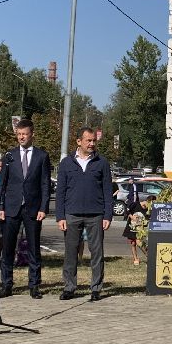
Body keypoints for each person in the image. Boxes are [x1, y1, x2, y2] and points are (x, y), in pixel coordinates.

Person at [55, 127, 113, 302]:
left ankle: (96, 288)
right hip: (71, 214)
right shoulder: (66, 163)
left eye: (94, 140)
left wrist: (107, 216)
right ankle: (70, 287)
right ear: (79, 141)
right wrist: (60, 216)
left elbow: (107, 191)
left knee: (97, 253)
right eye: (88, 140)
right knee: (71, 252)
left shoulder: (102, 163)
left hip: (96, 214)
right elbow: (60, 192)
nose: (92, 143)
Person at [0, 119, 52, 299]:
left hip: (33, 208)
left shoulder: (42, 156)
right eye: (19, 134)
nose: (21, 137)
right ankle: (6, 284)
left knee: (33, 248)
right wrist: (1, 206)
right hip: (11, 208)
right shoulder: (9, 156)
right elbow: (2, 184)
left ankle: (34, 285)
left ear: (31, 134)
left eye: (25, 134)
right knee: (7, 247)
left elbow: (45, 184)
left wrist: (44, 207)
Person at [121, 179, 144, 266]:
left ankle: (148, 256)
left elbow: (134, 194)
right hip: (132, 225)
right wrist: (132, 217)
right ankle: (135, 258)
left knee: (140, 242)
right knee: (133, 243)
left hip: (141, 227)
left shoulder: (134, 186)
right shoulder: (135, 205)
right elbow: (128, 211)